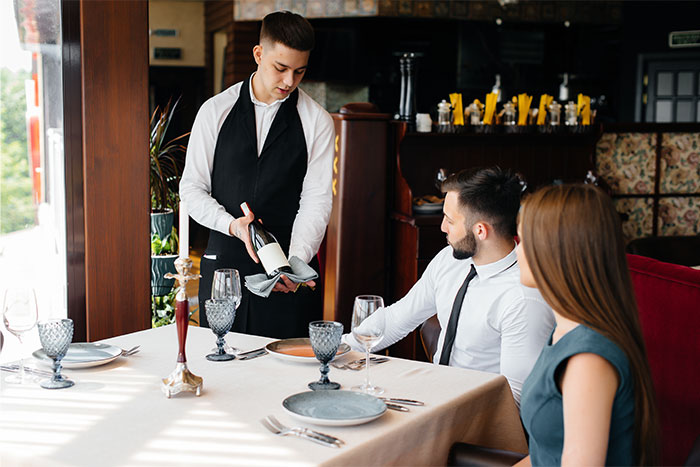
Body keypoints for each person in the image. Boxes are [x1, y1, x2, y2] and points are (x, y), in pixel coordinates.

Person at [180, 11, 334, 338]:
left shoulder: (317, 121)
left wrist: (295, 262)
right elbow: (192, 190)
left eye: (299, 71)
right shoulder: (214, 111)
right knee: (223, 373)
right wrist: (231, 226)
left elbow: (316, 200)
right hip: (224, 268)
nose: (289, 81)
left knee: (285, 378)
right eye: (281, 68)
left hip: (289, 276)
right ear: (258, 54)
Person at [345, 167, 554, 404]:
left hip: (478, 415)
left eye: (450, 220)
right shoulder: (450, 259)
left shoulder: (522, 298)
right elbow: (397, 318)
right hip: (435, 395)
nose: (443, 227)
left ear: (481, 230)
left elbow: (515, 398)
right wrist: (340, 348)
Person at [516, 184, 658, 465]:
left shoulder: (588, 359)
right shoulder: (564, 332)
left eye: (521, 241)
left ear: (552, 251)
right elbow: (543, 456)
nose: (515, 251)